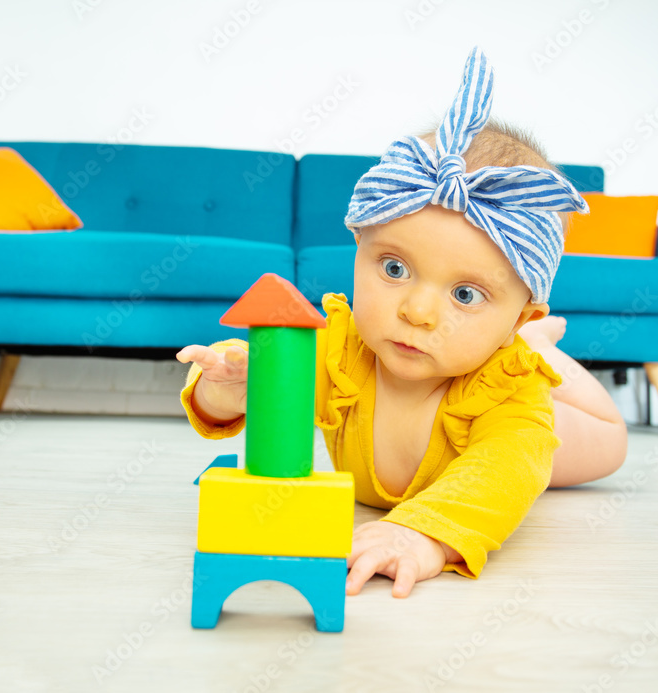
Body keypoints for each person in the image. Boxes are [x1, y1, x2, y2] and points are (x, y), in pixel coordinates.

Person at [176, 47, 626, 599]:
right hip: (495, 345)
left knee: (603, 441)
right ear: (358, 245)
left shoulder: (509, 398)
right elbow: (264, 374)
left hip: (528, 412)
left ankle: (539, 349)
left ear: (516, 313)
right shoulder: (344, 353)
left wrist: (423, 533)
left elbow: (504, 475)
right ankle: (522, 334)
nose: (417, 311)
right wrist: (229, 388)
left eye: (466, 293)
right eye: (394, 268)